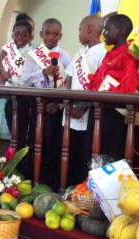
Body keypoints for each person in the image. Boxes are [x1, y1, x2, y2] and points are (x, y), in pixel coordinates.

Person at [21, 18, 71, 189]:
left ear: (61, 35)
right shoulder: (32, 55)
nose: (51, 37)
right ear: (41, 34)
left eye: (55, 34)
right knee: (36, 143)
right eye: (47, 33)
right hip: (37, 103)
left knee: (53, 146)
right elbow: (25, 79)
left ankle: (49, 183)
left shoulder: (64, 56)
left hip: (55, 106)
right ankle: (35, 180)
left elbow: (68, 83)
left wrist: (59, 105)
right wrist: (43, 71)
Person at [85, 14, 139, 165]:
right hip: (96, 110)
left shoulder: (128, 57)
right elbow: (95, 80)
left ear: (121, 31)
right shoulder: (109, 54)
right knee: (91, 155)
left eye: (107, 29)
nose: (103, 34)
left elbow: (128, 88)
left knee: (107, 156)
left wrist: (106, 95)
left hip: (112, 115)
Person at [62, 15, 107, 186]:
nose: (78, 33)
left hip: (87, 116)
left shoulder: (103, 53)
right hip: (70, 113)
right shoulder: (80, 53)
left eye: (80, 29)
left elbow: (101, 86)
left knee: (84, 158)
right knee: (69, 157)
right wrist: (66, 102)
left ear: (89, 29)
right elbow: (69, 79)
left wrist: (82, 107)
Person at [0, 20, 33, 176]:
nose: (20, 38)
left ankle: (21, 170)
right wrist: (1, 72)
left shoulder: (31, 53)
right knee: (13, 136)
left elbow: (28, 77)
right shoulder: (8, 50)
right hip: (10, 98)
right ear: (12, 35)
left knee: (21, 136)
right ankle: (15, 169)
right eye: (16, 34)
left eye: (25, 35)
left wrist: (11, 76)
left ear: (30, 37)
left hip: (24, 99)